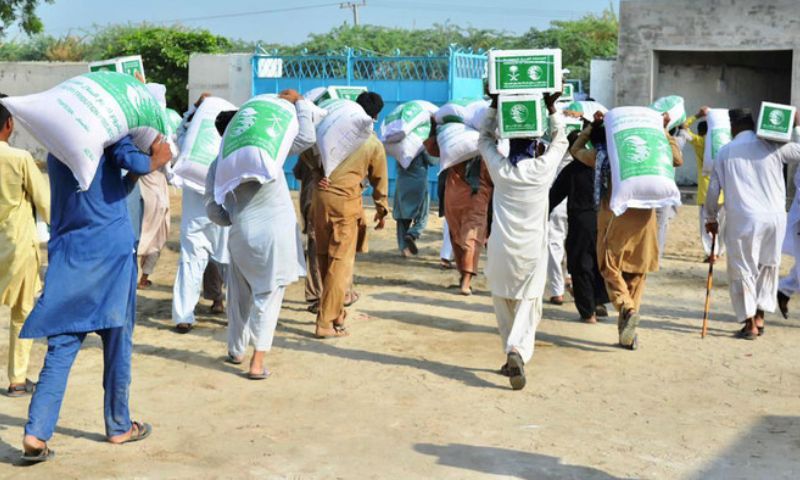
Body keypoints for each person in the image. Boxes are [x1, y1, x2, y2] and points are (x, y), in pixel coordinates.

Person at [19, 134, 172, 463]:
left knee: (60, 348)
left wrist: (134, 171)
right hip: (111, 259)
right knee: (118, 341)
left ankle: (36, 432)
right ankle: (119, 425)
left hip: (70, 257)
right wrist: (157, 159)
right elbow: (137, 164)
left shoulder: (59, 146)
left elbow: (109, 191)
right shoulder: (110, 138)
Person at [205, 90, 315, 378]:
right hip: (275, 236)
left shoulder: (219, 165)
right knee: (268, 297)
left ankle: (236, 350)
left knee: (239, 298)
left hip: (240, 235)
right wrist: (300, 101)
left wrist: (235, 218)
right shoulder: (267, 152)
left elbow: (213, 211)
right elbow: (307, 138)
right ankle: (257, 363)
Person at [478, 91, 568, 390]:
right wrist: (551, 105)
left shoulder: (501, 170)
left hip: (501, 248)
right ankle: (517, 351)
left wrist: (493, 104)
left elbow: (484, 141)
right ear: (535, 148)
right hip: (531, 250)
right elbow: (562, 141)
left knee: (503, 304)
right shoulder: (542, 170)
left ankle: (509, 353)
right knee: (529, 306)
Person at [572, 111, 683, 350]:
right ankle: (628, 334)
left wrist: (589, 129)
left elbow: (575, 150)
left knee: (610, 268)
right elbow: (677, 159)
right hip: (646, 221)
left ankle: (627, 308)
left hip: (614, 218)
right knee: (636, 274)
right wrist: (661, 130)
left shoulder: (602, 156)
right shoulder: (651, 156)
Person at [705, 109, 800, 340]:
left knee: (744, 269)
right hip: (775, 218)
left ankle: (750, 324)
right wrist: (797, 126)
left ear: (733, 125)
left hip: (743, 218)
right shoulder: (772, 145)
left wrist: (711, 218)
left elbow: (713, 189)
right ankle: (760, 317)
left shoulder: (725, 152)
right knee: (768, 266)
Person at [312, 92, 389, 338]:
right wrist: (382, 209)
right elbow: (379, 179)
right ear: (376, 116)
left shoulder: (329, 131)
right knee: (340, 264)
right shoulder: (371, 142)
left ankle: (336, 315)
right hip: (345, 205)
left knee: (325, 259)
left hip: (321, 201)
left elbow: (307, 151)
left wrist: (318, 174)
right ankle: (325, 323)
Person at [0, 98, 50, 397]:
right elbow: (45, 203)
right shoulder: (19, 158)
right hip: (18, 244)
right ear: (9, 124)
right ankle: (17, 379)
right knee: (22, 311)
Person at [172, 93, 230, 333]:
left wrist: (193, 110)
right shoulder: (229, 139)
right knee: (228, 260)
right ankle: (233, 311)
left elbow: (176, 139)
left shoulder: (190, 135)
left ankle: (184, 315)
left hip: (197, 207)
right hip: (221, 207)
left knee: (191, 260)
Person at [550, 131, 610, 323]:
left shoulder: (572, 170)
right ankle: (599, 302)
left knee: (580, 265)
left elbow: (554, 196)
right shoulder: (604, 166)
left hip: (580, 222)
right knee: (600, 263)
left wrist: (540, 215)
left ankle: (588, 312)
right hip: (605, 221)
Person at [443, 156, 493, 296]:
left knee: (458, 236)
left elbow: (433, 149)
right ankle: (465, 279)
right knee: (471, 238)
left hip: (454, 194)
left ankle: (464, 276)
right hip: (476, 196)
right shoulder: (486, 152)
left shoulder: (455, 150)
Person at [684, 106, 726, 262]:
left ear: (701, 132)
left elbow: (683, 128)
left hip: (705, 191)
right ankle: (720, 251)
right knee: (722, 224)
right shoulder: (722, 144)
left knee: (705, 224)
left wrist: (697, 115)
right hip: (722, 191)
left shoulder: (699, 142)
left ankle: (710, 252)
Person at [393, 120, 437, 257]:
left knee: (402, 218)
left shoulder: (399, 144)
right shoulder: (421, 144)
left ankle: (404, 249)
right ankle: (413, 234)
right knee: (422, 216)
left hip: (402, 184)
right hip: (419, 184)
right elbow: (433, 161)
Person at [136, 166, 170, 288]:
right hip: (158, 197)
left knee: (135, 238)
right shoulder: (165, 149)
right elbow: (170, 172)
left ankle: (134, 278)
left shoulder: (137, 150)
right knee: (155, 240)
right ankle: (143, 279)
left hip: (140, 195)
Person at [545, 155, 571, 305]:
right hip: (578, 201)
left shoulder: (553, 151)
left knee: (554, 246)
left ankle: (557, 291)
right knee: (573, 244)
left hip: (556, 201)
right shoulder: (585, 153)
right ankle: (570, 278)